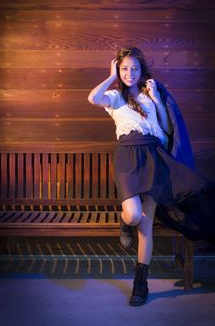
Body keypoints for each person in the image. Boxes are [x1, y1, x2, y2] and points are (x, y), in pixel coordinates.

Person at [87, 47, 214, 307]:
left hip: (154, 155)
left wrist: (155, 99)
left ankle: (140, 283)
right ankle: (125, 222)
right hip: (128, 156)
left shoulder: (151, 92)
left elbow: (167, 128)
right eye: (124, 68)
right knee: (133, 215)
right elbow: (92, 98)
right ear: (118, 69)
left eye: (134, 68)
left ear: (142, 70)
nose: (129, 73)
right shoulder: (114, 97)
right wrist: (111, 75)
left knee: (145, 224)